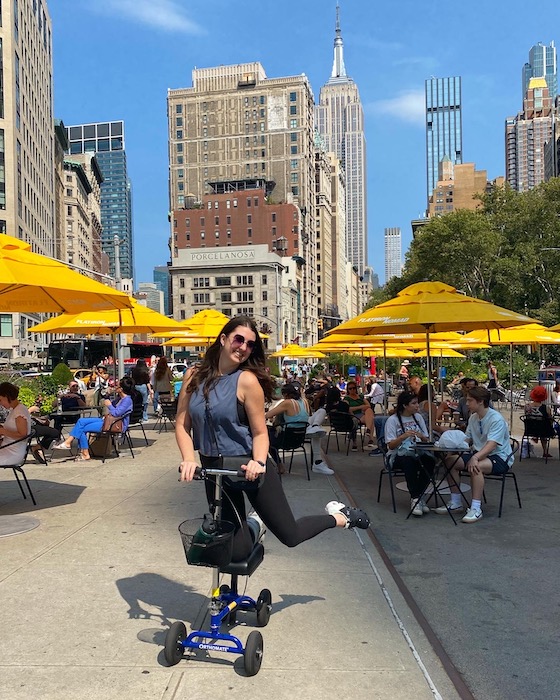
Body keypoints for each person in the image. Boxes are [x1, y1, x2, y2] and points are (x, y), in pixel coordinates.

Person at [176, 315, 370, 563]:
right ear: (223, 339)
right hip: (215, 471)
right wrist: (188, 458)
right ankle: (255, 523)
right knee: (235, 551)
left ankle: (341, 517)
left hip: (247, 466)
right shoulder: (193, 376)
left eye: (250, 345)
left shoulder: (246, 381)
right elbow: (182, 424)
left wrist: (258, 461)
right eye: (239, 339)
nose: (243, 348)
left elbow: (259, 432)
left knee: (291, 535)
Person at [436, 386, 514, 523]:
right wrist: (452, 446)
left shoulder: (496, 419)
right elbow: (467, 439)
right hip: (478, 453)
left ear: (480, 401)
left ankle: (476, 508)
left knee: (476, 466)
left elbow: (492, 444)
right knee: (450, 461)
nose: (466, 404)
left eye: (470, 400)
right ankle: (456, 502)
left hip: (499, 457)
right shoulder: (473, 418)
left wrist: (475, 457)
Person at [52, 376, 134, 461]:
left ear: (121, 389)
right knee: (81, 421)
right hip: (108, 420)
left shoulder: (127, 400)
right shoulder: (119, 398)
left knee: (82, 428)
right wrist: (107, 396)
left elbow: (116, 413)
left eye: (117, 386)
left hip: (116, 424)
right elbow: (111, 407)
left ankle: (82, 451)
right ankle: (70, 444)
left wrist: (109, 404)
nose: (115, 387)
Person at [383, 391, 435, 517]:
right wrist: (403, 436)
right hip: (396, 455)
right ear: (405, 405)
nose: (417, 406)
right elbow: (390, 446)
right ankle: (416, 497)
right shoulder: (393, 420)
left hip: (417, 452)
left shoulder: (418, 418)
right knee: (408, 461)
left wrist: (421, 436)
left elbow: (426, 440)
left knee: (430, 461)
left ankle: (418, 496)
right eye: (414, 403)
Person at [264, 382, 310, 475]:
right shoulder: (305, 401)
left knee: (265, 440)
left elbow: (268, 415)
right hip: (299, 439)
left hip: (286, 439)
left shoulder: (287, 403)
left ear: (285, 394)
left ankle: (279, 466)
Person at [0, 382, 32, 465]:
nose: (0, 403)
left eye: (0, 400)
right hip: (7, 449)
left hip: (12, 454)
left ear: (7, 396)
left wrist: (3, 431)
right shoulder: (15, 410)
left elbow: (22, 435)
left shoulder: (19, 411)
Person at [524, 385, 555, 459]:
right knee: (545, 425)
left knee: (538, 424)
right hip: (544, 431)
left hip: (530, 430)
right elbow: (550, 420)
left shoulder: (527, 406)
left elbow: (527, 416)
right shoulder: (546, 408)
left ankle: (535, 437)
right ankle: (545, 451)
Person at [344, 381, 375, 449]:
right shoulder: (347, 398)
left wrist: (363, 407)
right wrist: (360, 407)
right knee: (371, 419)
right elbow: (348, 408)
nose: (352, 390)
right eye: (350, 388)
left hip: (362, 415)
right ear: (348, 390)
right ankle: (370, 439)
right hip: (353, 416)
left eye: (354, 388)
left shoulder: (360, 396)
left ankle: (368, 431)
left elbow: (368, 405)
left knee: (369, 411)